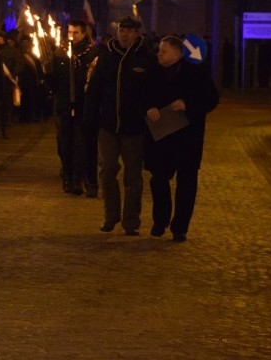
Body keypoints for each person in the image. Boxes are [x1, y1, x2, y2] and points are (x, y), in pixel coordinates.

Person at [85, 16, 157, 235]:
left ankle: (131, 221)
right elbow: (94, 90)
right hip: (108, 126)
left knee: (132, 176)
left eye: (129, 30)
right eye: (121, 30)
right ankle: (110, 215)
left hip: (134, 128)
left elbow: (155, 91)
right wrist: (90, 118)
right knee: (107, 171)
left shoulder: (146, 59)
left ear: (137, 33)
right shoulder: (106, 56)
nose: (124, 34)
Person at [144, 35, 219, 242]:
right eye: (159, 50)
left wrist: (188, 104)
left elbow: (211, 99)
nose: (159, 54)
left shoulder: (196, 73)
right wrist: (149, 108)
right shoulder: (153, 72)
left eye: (164, 51)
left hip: (187, 137)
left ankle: (180, 227)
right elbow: (141, 95)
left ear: (177, 53)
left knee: (186, 182)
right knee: (158, 178)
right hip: (160, 136)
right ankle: (160, 220)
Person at [50, 19, 99, 196]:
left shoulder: (92, 53)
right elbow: (54, 81)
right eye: (69, 33)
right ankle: (69, 178)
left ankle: (86, 179)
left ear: (83, 33)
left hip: (84, 106)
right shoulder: (61, 53)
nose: (72, 36)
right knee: (65, 143)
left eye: (76, 33)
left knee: (84, 144)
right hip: (64, 105)